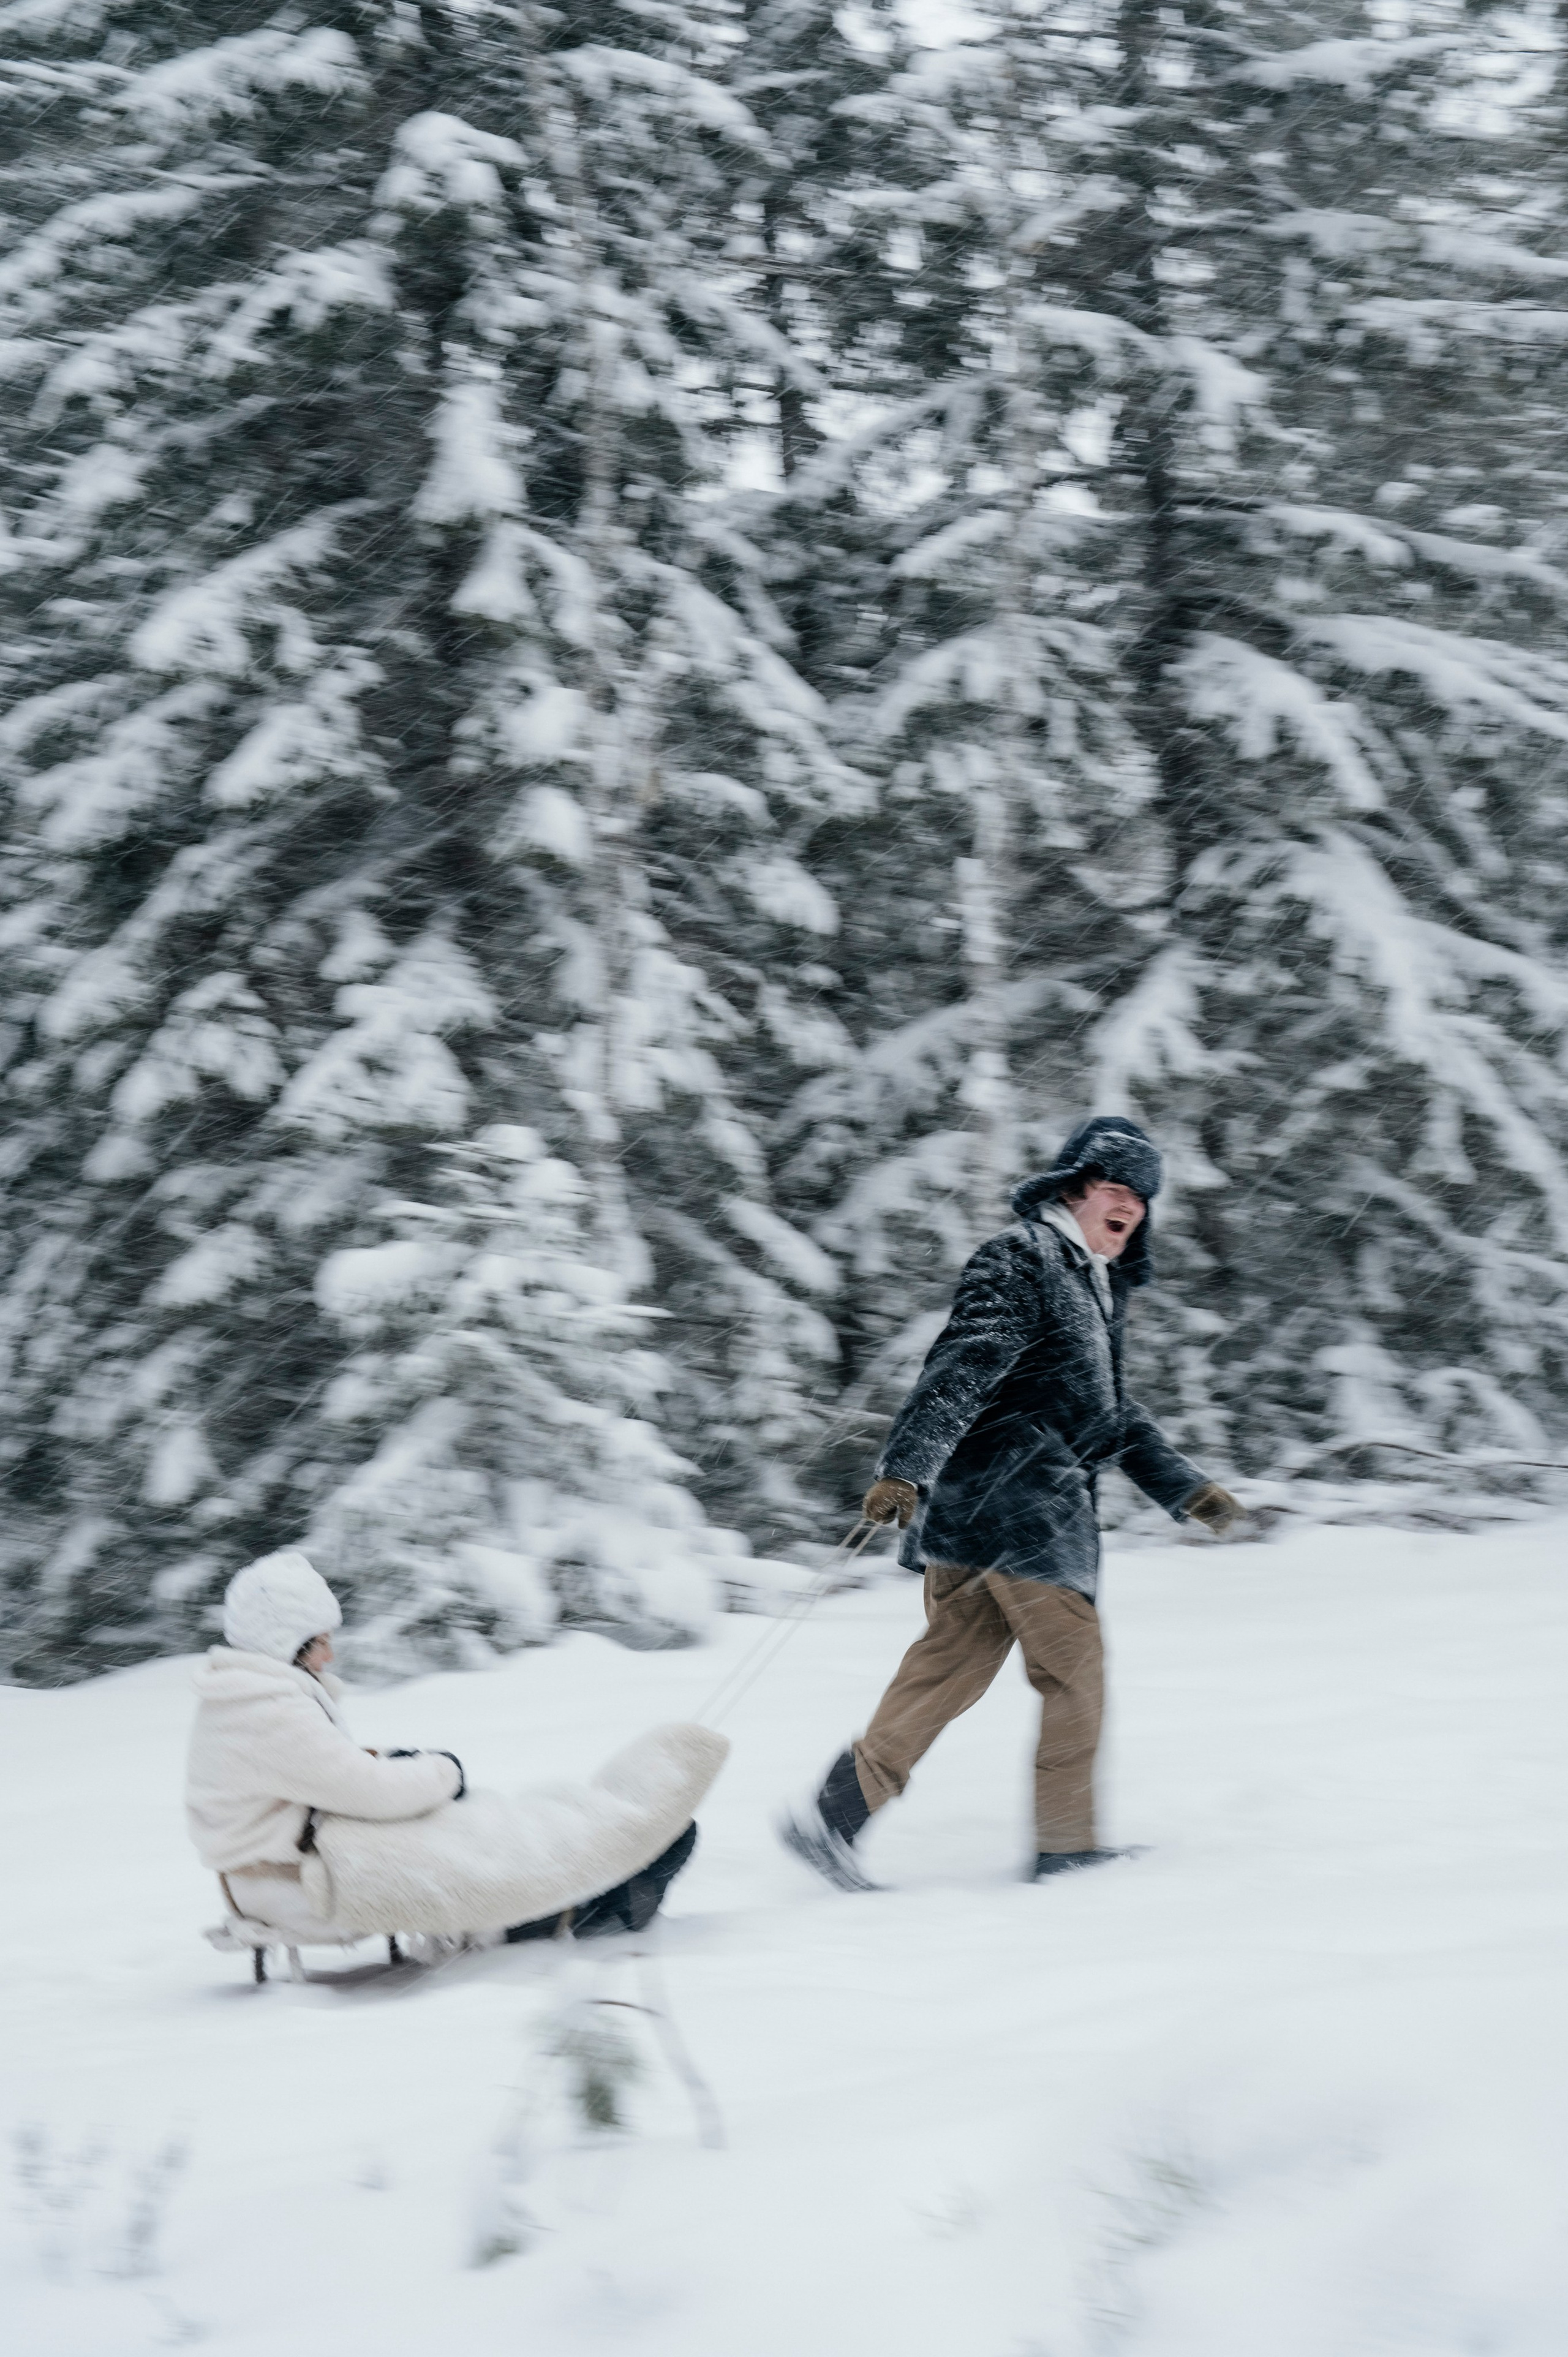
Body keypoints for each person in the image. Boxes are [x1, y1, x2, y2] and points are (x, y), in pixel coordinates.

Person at [782, 1115, 1240, 1890]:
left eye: (1142, 1196)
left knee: (945, 1670)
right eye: (1116, 1187)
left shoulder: (1091, 1286)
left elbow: (1111, 1417)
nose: (1130, 1205)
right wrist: (904, 1467)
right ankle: (1066, 1845)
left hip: (976, 1517)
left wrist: (1186, 1488)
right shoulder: (1023, 1257)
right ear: (1075, 1188)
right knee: (1073, 1675)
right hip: (1025, 1510)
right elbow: (964, 1366)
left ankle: (836, 1814)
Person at [188, 1550, 714, 1948]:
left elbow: (321, 1772)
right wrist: (442, 1772)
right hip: (296, 1885)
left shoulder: (246, 1699)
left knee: (465, 1823)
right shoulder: (267, 1709)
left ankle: (569, 1878)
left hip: (283, 1866)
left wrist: (399, 1763)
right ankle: (548, 1910)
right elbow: (365, 1792)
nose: (330, 1651)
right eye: (317, 1639)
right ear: (285, 1642)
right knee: (456, 1837)